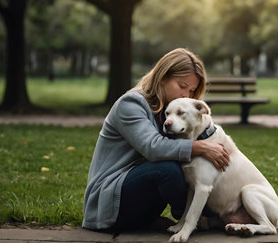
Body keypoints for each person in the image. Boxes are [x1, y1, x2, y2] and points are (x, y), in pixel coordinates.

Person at [82, 48, 230, 232]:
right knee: (167, 169)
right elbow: (153, 148)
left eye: (191, 91)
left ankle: (217, 210)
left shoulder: (169, 114)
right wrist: (200, 147)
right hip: (110, 202)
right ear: (163, 77)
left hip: (137, 197)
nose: (186, 95)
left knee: (199, 171)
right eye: (182, 86)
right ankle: (202, 215)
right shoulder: (131, 104)